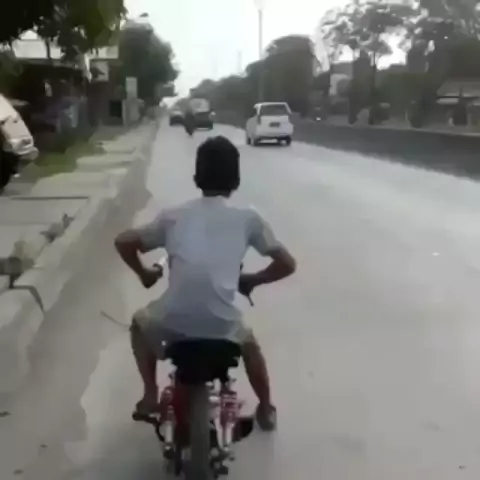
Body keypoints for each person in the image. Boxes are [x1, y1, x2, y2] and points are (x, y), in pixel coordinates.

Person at [115, 136, 296, 431]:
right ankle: (265, 407)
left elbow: (123, 241)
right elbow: (287, 264)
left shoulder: (173, 217)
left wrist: (145, 273)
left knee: (139, 323)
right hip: (222, 326)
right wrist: (253, 280)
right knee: (250, 346)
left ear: (197, 176)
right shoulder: (248, 219)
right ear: (235, 179)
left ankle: (150, 393)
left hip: (173, 320)